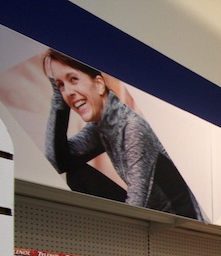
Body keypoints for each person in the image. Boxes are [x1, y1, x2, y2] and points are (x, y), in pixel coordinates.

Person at [43, 50, 206, 221]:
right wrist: (58, 99)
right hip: (150, 212)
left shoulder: (133, 127)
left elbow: (136, 205)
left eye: (73, 79)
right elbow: (59, 162)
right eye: (61, 85)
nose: (68, 92)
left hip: (176, 221)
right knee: (76, 173)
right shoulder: (101, 126)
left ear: (99, 84)